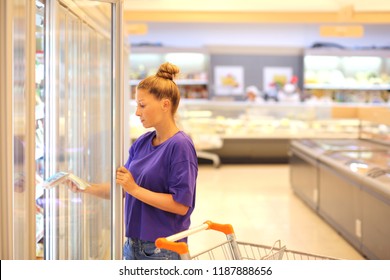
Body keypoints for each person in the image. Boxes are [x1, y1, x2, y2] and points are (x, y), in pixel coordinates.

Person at [75, 62, 198, 260]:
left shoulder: (180, 146)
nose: (137, 112)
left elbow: (181, 205)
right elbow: (123, 188)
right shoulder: (142, 142)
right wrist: (85, 187)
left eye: (142, 105)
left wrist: (134, 189)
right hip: (132, 245)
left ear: (165, 104)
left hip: (162, 248)